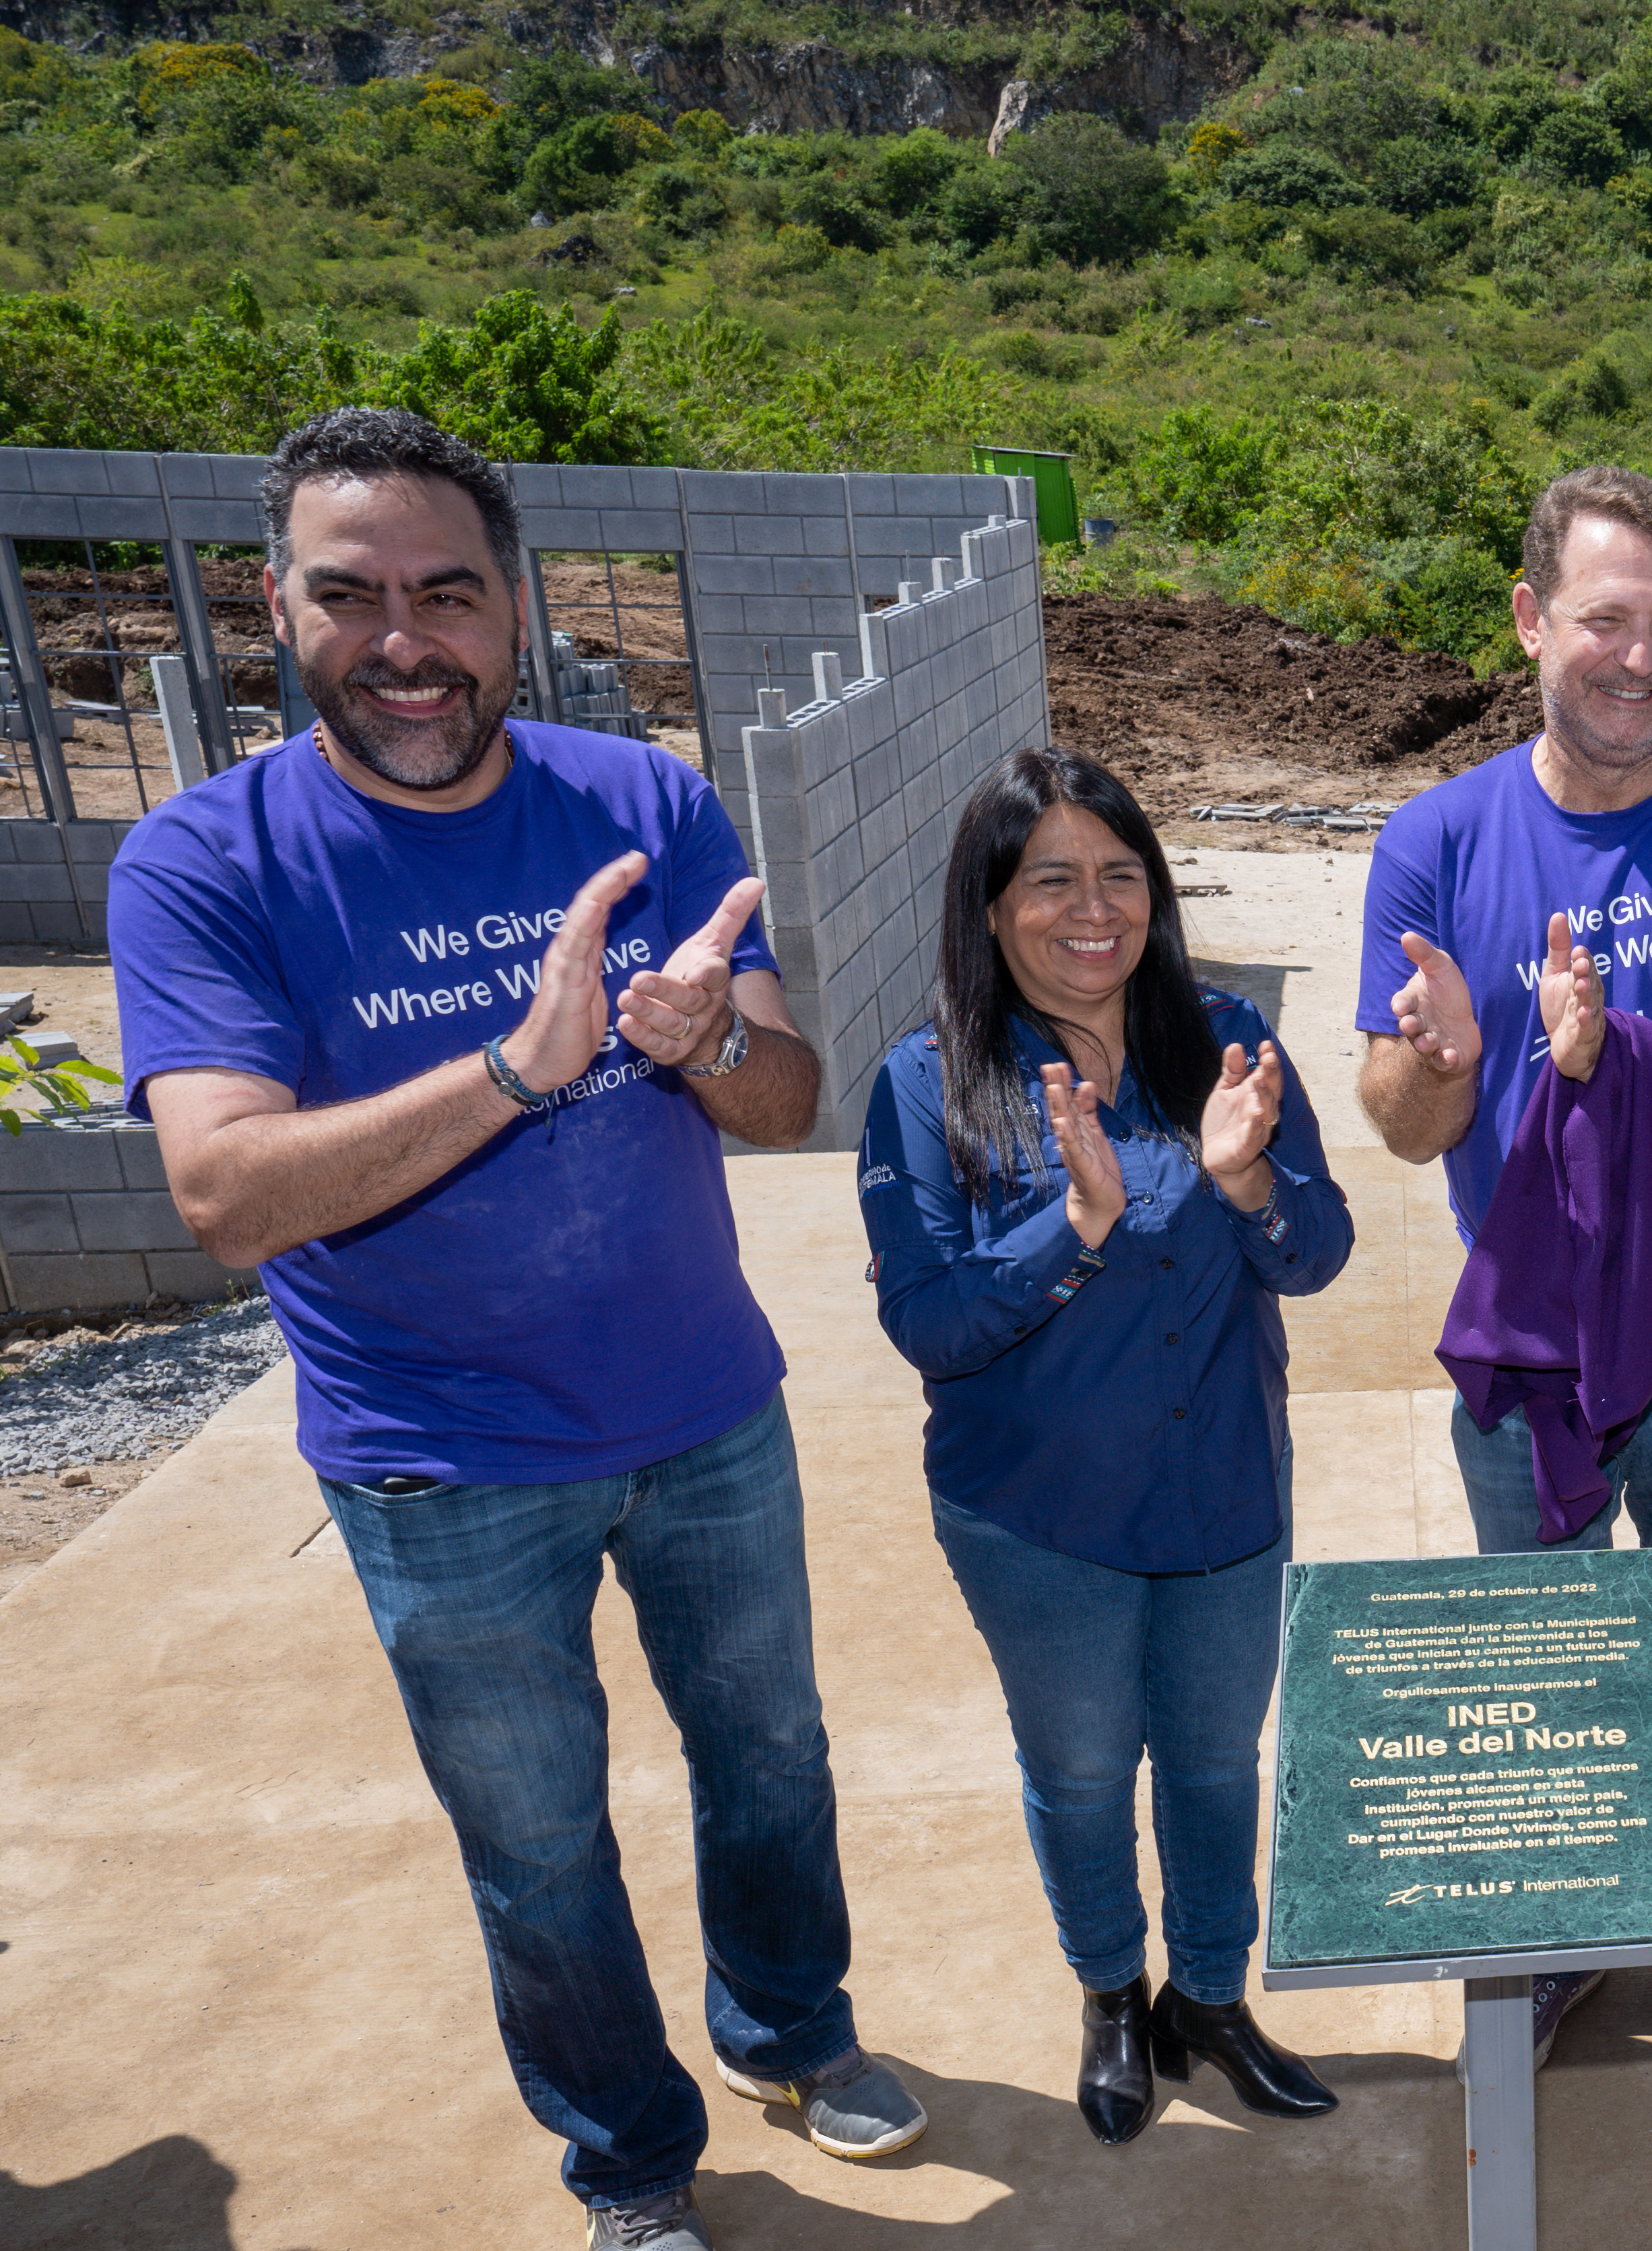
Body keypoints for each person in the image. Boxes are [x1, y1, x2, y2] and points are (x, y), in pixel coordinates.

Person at [109, 408, 918, 2251]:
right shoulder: (202, 863)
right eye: (352, 595)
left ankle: (794, 2028)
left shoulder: (642, 805)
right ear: (277, 603)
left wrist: (704, 1036)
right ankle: (631, 2152)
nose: (406, 640)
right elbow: (227, 1194)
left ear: (518, 603)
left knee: (770, 1751)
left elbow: (783, 1097)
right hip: (438, 1460)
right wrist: (516, 1064)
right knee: (539, 1841)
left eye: (447, 594)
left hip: (707, 1411)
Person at [1356, 465, 1652, 2068]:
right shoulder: (1437, 839)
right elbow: (1405, 1121)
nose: (1634, 657)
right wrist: (1451, 1057)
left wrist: (1619, 1051)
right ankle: (1565, 1931)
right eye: (1602, 619)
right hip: (1532, 1362)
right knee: (1547, 1674)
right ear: (1530, 617)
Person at [861, 748, 1352, 2147]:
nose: (1095, 909)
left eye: (1121, 875)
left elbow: (1316, 1255)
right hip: (1038, 1519)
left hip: (1225, 1500)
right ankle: (1107, 1998)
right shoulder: (928, 1079)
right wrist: (1068, 1230)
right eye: (1053, 879)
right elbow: (932, 1326)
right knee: (1081, 1771)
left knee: (1214, 1767)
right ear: (992, 905)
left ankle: (1207, 1998)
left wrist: (1250, 1178)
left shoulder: (1227, 1033)